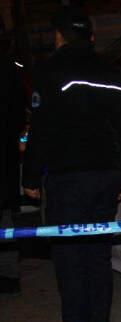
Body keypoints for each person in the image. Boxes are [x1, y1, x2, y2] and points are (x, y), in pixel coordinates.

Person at [22, 6, 121, 322]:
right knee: (97, 255)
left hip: (69, 178)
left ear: (58, 35)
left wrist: (30, 176)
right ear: (92, 36)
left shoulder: (51, 70)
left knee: (70, 258)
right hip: (104, 177)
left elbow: (41, 129)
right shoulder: (114, 72)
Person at [0, 48, 26, 294]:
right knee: (6, 220)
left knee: (6, 221)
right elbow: (19, 112)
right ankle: (8, 275)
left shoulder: (10, 66)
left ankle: (8, 274)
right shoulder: (10, 66)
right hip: (5, 160)